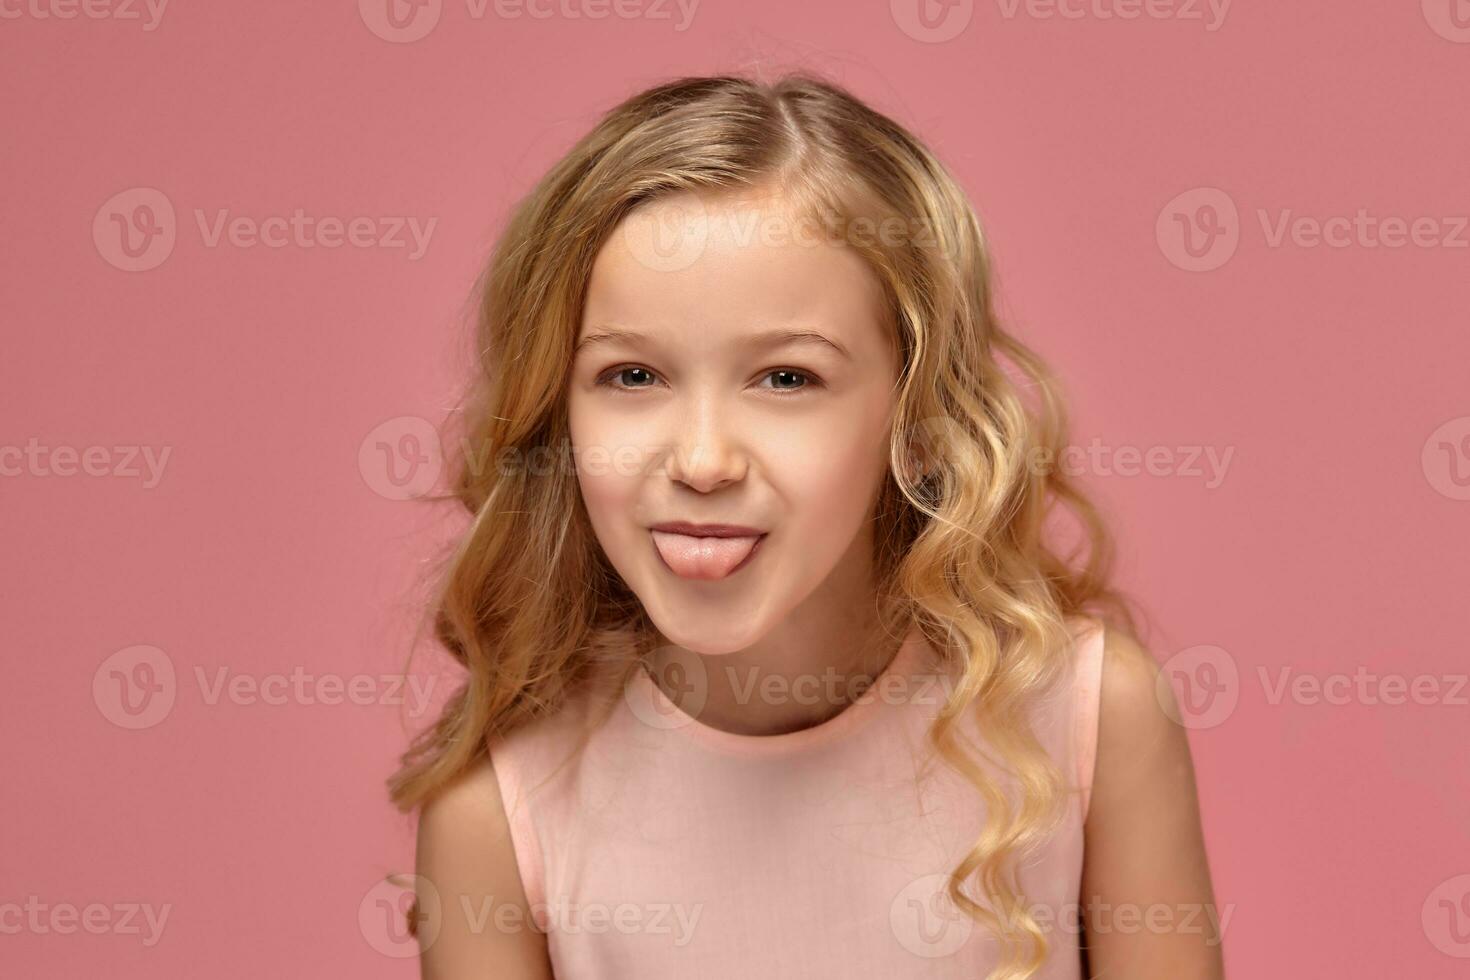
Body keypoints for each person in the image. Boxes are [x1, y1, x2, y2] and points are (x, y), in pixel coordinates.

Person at [389, 72, 1225, 979]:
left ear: (916, 414)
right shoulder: (500, 806)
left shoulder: (1089, 718)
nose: (702, 460)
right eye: (632, 377)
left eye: (787, 379)